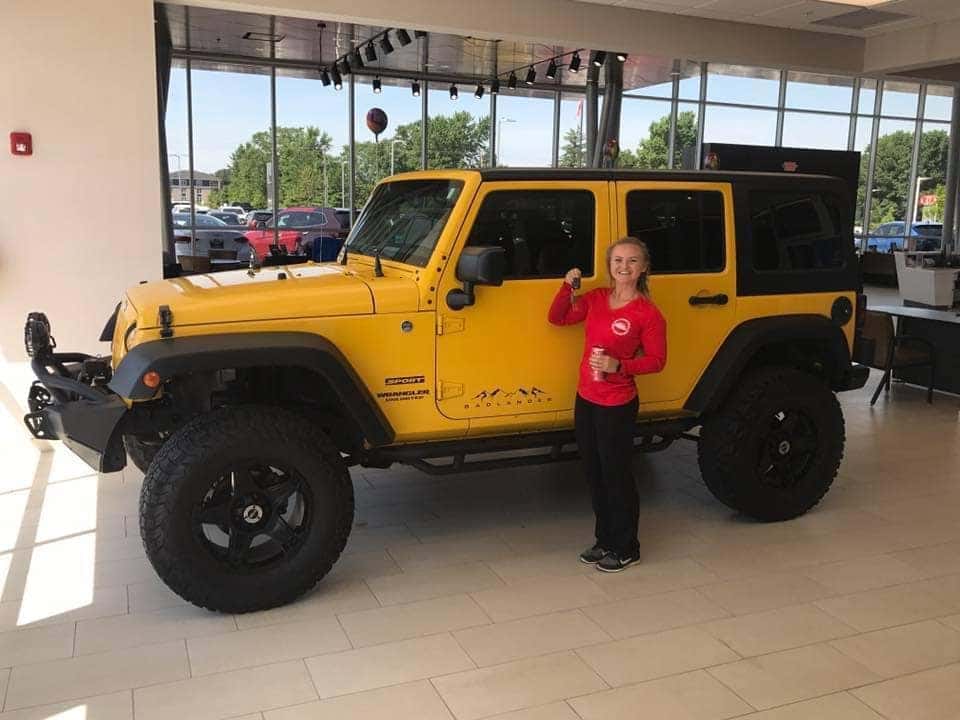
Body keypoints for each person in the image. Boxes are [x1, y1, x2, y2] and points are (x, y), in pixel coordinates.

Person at [547, 237, 667, 572]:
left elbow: (657, 361)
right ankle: (605, 540)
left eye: (631, 261)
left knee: (616, 474)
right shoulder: (598, 297)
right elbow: (558, 317)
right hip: (586, 397)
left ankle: (627, 546)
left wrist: (620, 366)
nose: (623, 267)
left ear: (643, 267)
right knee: (594, 472)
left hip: (617, 402)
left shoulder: (648, 313)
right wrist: (566, 287)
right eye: (617, 261)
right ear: (609, 265)